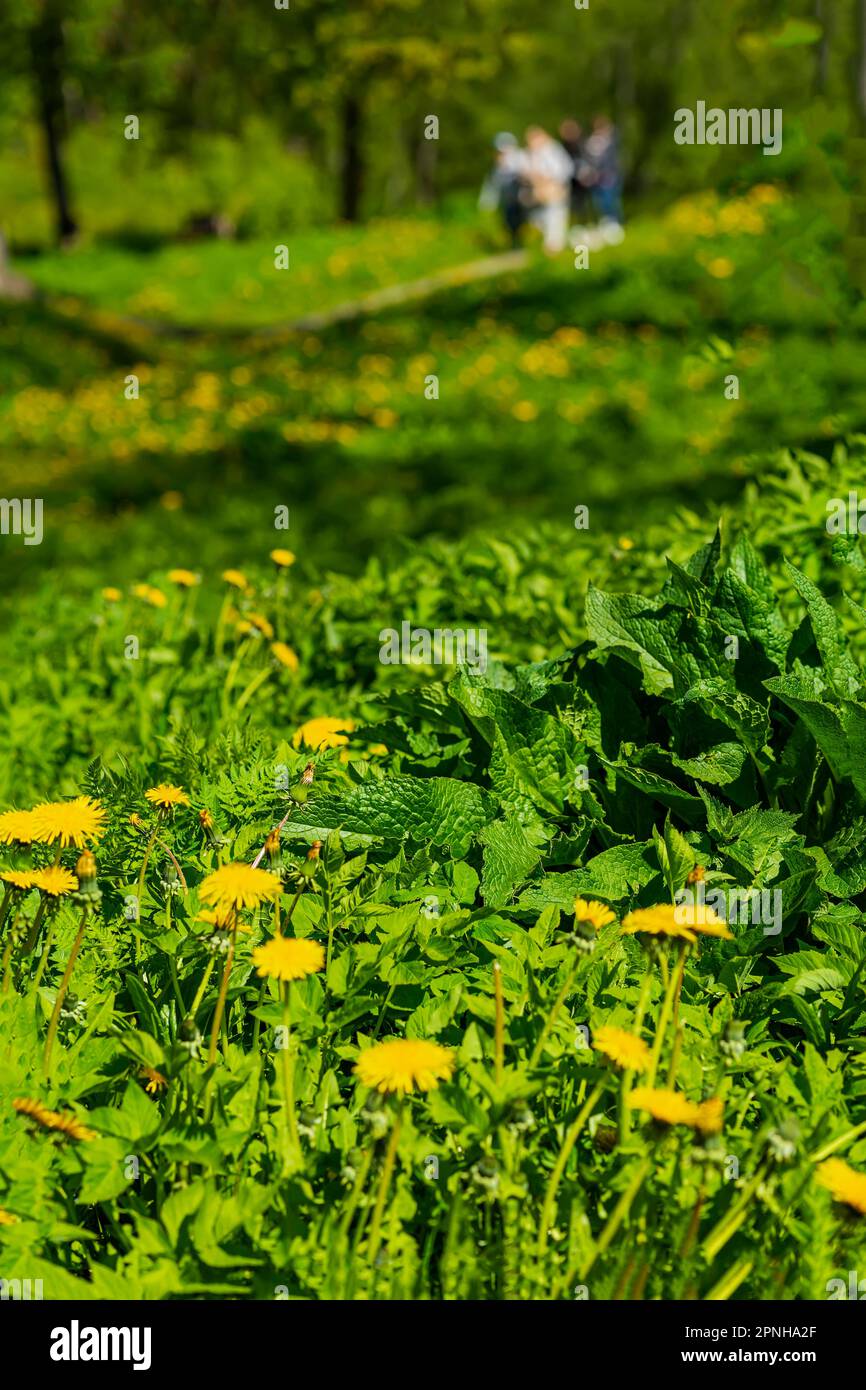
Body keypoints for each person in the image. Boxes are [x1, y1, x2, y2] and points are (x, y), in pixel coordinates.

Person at [522, 125, 573, 255]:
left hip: (555, 187)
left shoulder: (552, 150)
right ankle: (554, 243)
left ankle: (554, 246)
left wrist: (548, 180)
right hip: (540, 190)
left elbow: (564, 170)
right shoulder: (533, 153)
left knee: (555, 215)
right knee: (539, 216)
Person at [478, 132, 528, 247]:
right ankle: (515, 244)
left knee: (522, 222)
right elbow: (492, 184)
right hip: (507, 200)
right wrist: (487, 202)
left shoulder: (521, 158)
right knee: (509, 223)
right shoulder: (497, 165)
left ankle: (522, 244)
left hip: (522, 199)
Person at [583, 115, 623, 229]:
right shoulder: (591, 141)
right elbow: (588, 159)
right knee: (599, 202)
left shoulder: (612, 140)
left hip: (610, 176)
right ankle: (605, 223)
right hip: (595, 178)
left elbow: (612, 158)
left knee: (610, 201)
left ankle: (616, 223)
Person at [558, 118, 591, 222]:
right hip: (572, 178)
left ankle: (592, 223)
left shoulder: (583, 142)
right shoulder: (563, 145)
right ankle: (581, 223)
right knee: (577, 203)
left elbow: (588, 159)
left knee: (589, 201)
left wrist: (586, 172)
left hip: (585, 177)